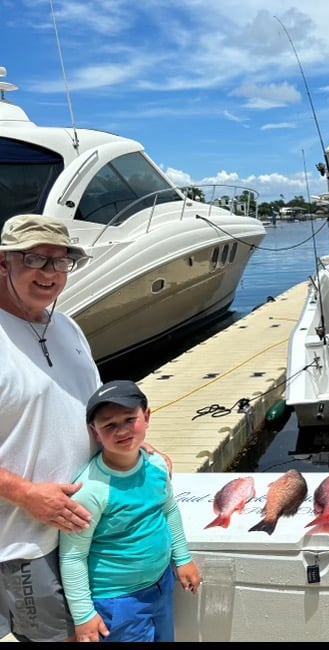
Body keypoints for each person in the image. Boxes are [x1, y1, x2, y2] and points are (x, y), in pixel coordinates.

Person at [0, 214, 170, 643]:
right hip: (27, 540)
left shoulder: (67, 326)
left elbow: (96, 411)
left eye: (60, 262)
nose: (49, 272)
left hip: (92, 528)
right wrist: (26, 495)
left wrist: (137, 450)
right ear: (3, 263)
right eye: (35, 258)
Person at [59, 380, 202, 642]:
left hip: (162, 584)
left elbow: (169, 509)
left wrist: (182, 558)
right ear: (95, 432)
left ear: (146, 417)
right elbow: (73, 556)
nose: (122, 430)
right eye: (109, 425)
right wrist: (83, 615)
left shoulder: (157, 465)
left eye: (129, 419)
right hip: (118, 602)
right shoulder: (91, 490)